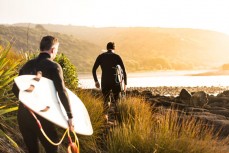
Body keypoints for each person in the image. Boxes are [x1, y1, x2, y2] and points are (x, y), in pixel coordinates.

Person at [12, 36, 74, 153]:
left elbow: (15, 88)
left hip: (23, 115)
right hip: (42, 116)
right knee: (52, 148)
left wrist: (27, 102)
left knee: (32, 150)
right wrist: (70, 116)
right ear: (53, 49)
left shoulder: (27, 65)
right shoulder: (54, 66)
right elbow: (62, 91)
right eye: (56, 50)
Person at [92, 42, 127, 121]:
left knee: (106, 99)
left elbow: (93, 70)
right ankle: (117, 120)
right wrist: (125, 84)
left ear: (107, 48)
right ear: (114, 48)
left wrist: (96, 81)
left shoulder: (101, 56)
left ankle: (105, 118)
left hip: (105, 81)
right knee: (117, 101)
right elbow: (124, 71)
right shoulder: (117, 56)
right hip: (115, 82)